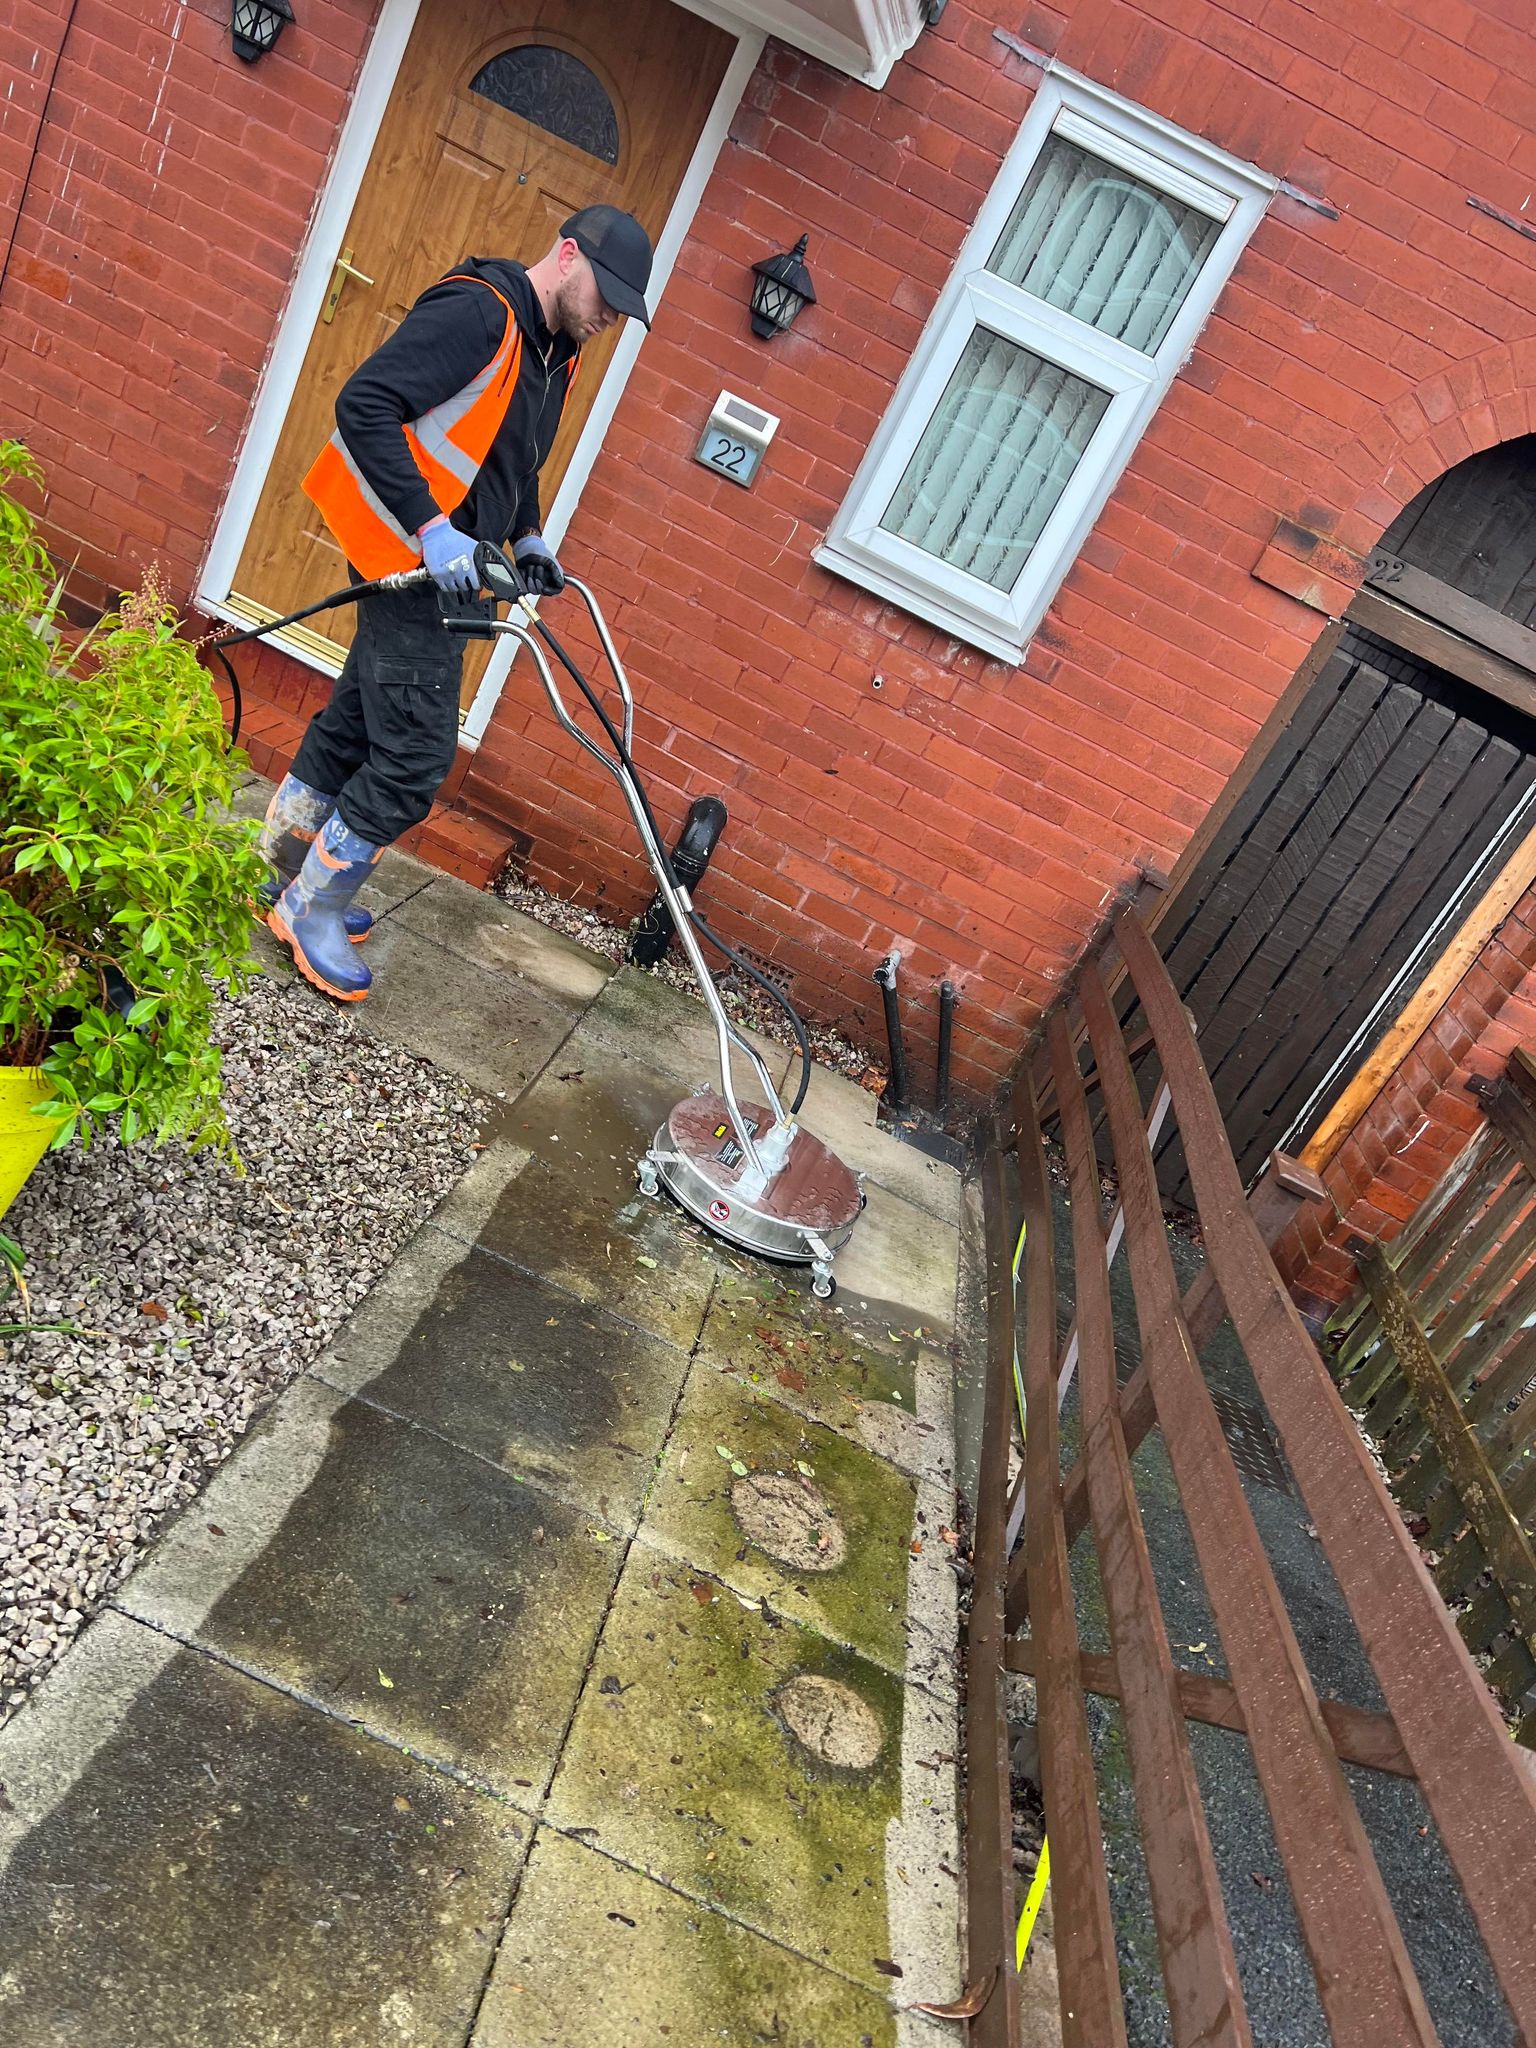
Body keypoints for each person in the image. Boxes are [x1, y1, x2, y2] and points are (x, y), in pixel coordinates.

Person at [257, 204, 655, 1001]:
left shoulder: (558, 351)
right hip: (414, 563)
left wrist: (529, 535)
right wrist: (433, 529)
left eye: (623, 307)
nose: (610, 315)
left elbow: (518, 458)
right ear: (566, 255)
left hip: (459, 571)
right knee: (415, 760)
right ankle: (310, 908)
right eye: (605, 294)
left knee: (358, 722)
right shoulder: (481, 312)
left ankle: (280, 872)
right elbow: (364, 403)